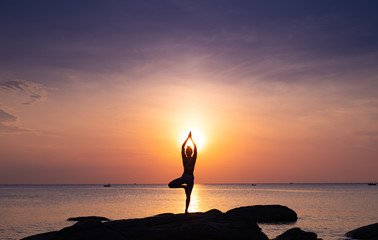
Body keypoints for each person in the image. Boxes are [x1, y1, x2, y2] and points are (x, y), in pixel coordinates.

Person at [168, 131, 197, 214]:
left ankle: (186, 211)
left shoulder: (193, 158)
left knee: (188, 196)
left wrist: (191, 139)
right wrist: (188, 138)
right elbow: (182, 147)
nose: (188, 153)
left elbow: (195, 149)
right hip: (184, 177)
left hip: (190, 178)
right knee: (170, 185)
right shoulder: (184, 158)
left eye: (189, 151)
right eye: (187, 152)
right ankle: (183, 187)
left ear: (190, 152)